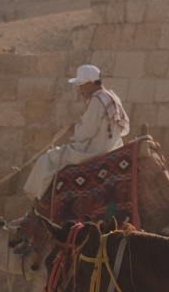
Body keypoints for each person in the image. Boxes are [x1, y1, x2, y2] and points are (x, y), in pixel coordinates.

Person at [21, 64, 131, 201]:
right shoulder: (112, 97)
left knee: (47, 159)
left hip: (94, 150)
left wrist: (74, 129)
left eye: (81, 85)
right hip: (112, 147)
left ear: (90, 84)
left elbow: (87, 132)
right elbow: (124, 128)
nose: (80, 89)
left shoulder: (96, 100)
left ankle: (36, 200)